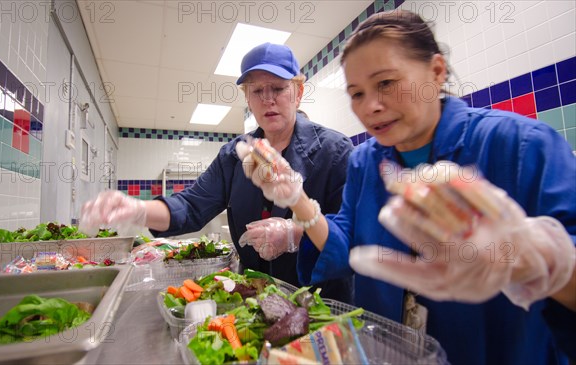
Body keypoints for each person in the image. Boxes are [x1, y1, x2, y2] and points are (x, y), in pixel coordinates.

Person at [237, 10, 576, 365]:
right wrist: (297, 199)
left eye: (386, 83)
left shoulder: (521, 146)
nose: (371, 107)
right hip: (388, 352)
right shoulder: (365, 161)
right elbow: (345, 244)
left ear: (436, 71)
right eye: (356, 93)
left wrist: (529, 262)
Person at [79, 43, 355, 303]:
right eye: (257, 91)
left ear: (298, 92)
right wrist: (137, 210)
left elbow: (350, 236)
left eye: (279, 88)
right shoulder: (235, 155)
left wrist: (295, 234)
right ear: (247, 96)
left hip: (321, 301)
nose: (268, 99)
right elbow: (190, 205)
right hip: (255, 297)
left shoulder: (335, 151)